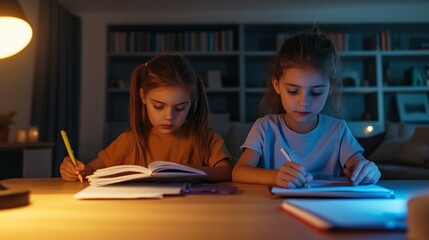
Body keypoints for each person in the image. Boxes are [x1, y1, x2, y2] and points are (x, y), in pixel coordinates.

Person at [232, 26, 381, 188]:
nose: (304, 102)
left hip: (324, 209)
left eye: (316, 92)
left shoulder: (337, 131)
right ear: (277, 85)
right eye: (293, 91)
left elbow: (360, 166)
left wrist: (368, 171)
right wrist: (274, 177)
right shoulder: (265, 128)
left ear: (330, 88)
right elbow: (238, 172)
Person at [61, 55, 232, 182]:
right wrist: (74, 170)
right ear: (143, 97)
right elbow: (90, 170)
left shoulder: (207, 139)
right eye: (158, 106)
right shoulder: (130, 140)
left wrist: (190, 171)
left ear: (192, 102)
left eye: (180, 108)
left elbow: (226, 172)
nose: (169, 116)